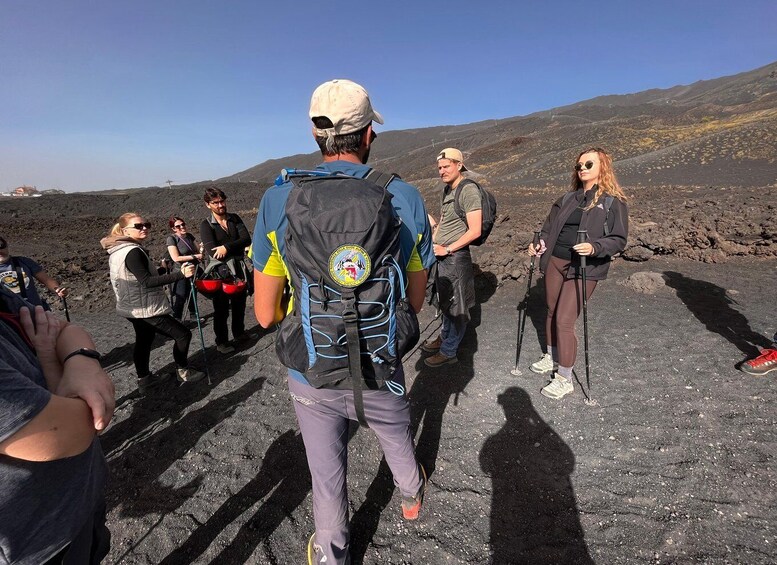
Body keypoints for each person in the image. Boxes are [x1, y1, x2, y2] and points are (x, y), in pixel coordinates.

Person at [252, 79, 434, 565]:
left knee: (325, 472)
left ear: (315, 135)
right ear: (369, 134)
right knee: (396, 432)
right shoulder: (406, 197)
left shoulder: (279, 200)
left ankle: (333, 553)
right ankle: (412, 494)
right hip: (381, 360)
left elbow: (265, 314)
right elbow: (415, 300)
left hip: (310, 366)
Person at [0, 284, 114, 564]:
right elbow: (75, 430)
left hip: (82, 497)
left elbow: (64, 330)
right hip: (36, 545)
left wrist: (80, 360)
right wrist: (59, 359)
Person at [528, 147, 628, 399]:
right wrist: (539, 242)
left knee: (564, 318)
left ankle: (564, 377)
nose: (582, 168)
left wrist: (595, 247)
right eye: (579, 165)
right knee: (551, 310)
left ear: (602, 168)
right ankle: (551, 356)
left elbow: (618, 239)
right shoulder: (567, 199)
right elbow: (548, 229)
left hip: (585, 267)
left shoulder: (612, 201)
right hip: (556, 261)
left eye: (588, 165)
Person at [100, 213, 206, 393]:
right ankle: (183, 371)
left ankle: (145, 380)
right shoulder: (133, 251)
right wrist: (181, 275)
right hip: (145, 308)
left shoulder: (118, 250)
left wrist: (159, 270)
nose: (144, 228)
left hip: (131, 307)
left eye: (146, 224)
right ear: (125, 230)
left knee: (144, 340)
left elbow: (134, 275)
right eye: (139, 226)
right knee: (182, 335)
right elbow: (146, 281)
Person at [421, 148, 481, 367]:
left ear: (459, 165)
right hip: (443, 255)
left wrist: (447, 249)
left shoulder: (468, 190)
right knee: (446, 301)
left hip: (455, 257)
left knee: (456, 306)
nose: (442, 171)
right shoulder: (448, 191)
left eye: (446, 166)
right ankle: (445, 338)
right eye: (439, 167)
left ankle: (449, 351)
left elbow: (475, 230)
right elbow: (447, 221)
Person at [199, 188, 252, 354]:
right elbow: (212, 251)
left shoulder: (234, 218)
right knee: (221, 309)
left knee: (239, 304)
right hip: (220, 271)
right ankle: (221, 341)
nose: (220, 205)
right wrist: (232, 247)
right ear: (208, 205)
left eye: (222, 201)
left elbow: (246, 239)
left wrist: (226, 247)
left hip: (238, 268)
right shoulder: (206, 225)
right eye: (216, 202)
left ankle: (239, 333)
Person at [0, 234, 68, 309]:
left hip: (35, 310)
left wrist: (58, 290)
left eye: (1, 246)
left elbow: (47, 280)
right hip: (9, 315)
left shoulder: (23, 262)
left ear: (6, 246)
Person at [165, 216, 203, 321]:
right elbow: (175, 257)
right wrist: (195, 257)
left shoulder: (189, 236)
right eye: (178, 226)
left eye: (183, 224)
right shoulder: (172, 239)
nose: (182, 227)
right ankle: (177, 319)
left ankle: (194, 315)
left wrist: (201, 249)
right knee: (180, 295)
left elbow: (198, 251)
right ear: (173, 228)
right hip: (180, 271)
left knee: (192, 293)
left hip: (193, 269)